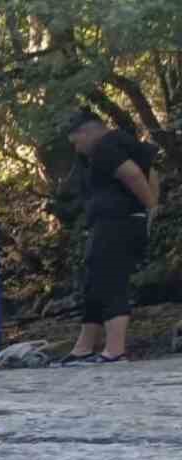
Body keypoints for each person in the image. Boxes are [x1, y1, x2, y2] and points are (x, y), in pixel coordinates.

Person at [60, 110, 161, 365]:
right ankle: (83, 348)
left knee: (111, 279)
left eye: (77, 142)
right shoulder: (124, 143)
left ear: (87, 132)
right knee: (94, 282)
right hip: (111, 222)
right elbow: (151, 172)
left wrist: (150, 207)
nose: (77, 149)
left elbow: (133, 175)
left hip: (118, 221)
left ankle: (115, 350)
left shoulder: (106, 145)